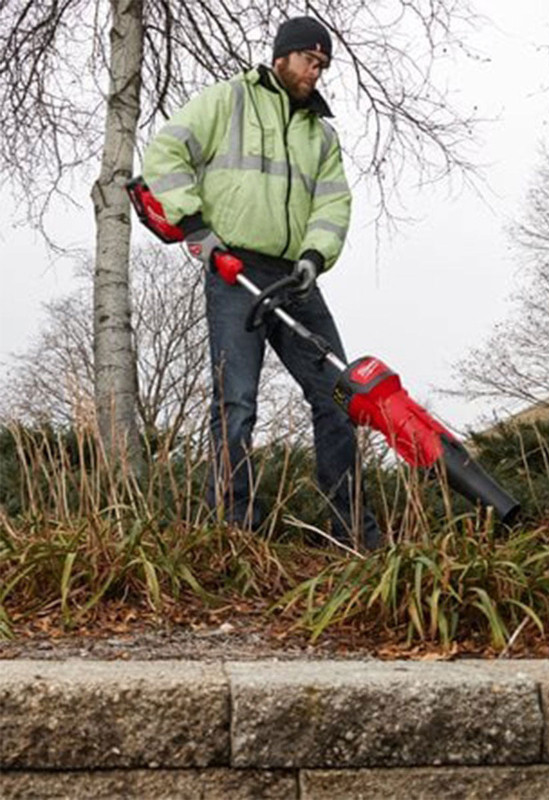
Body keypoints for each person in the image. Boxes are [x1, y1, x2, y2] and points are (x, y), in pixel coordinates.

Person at [142, 16, 382, 550]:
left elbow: (333, 201)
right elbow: (164, 153)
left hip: (295, 278)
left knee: (339, 396)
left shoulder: (321, 134)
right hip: (235, 271)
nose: (315, 73)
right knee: (238, 399)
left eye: (322, 65)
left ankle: (353, 532)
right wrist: (196, 225)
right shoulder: (227, 101)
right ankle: (232, 533)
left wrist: (315, 256)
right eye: (308, 61)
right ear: (282, 56)